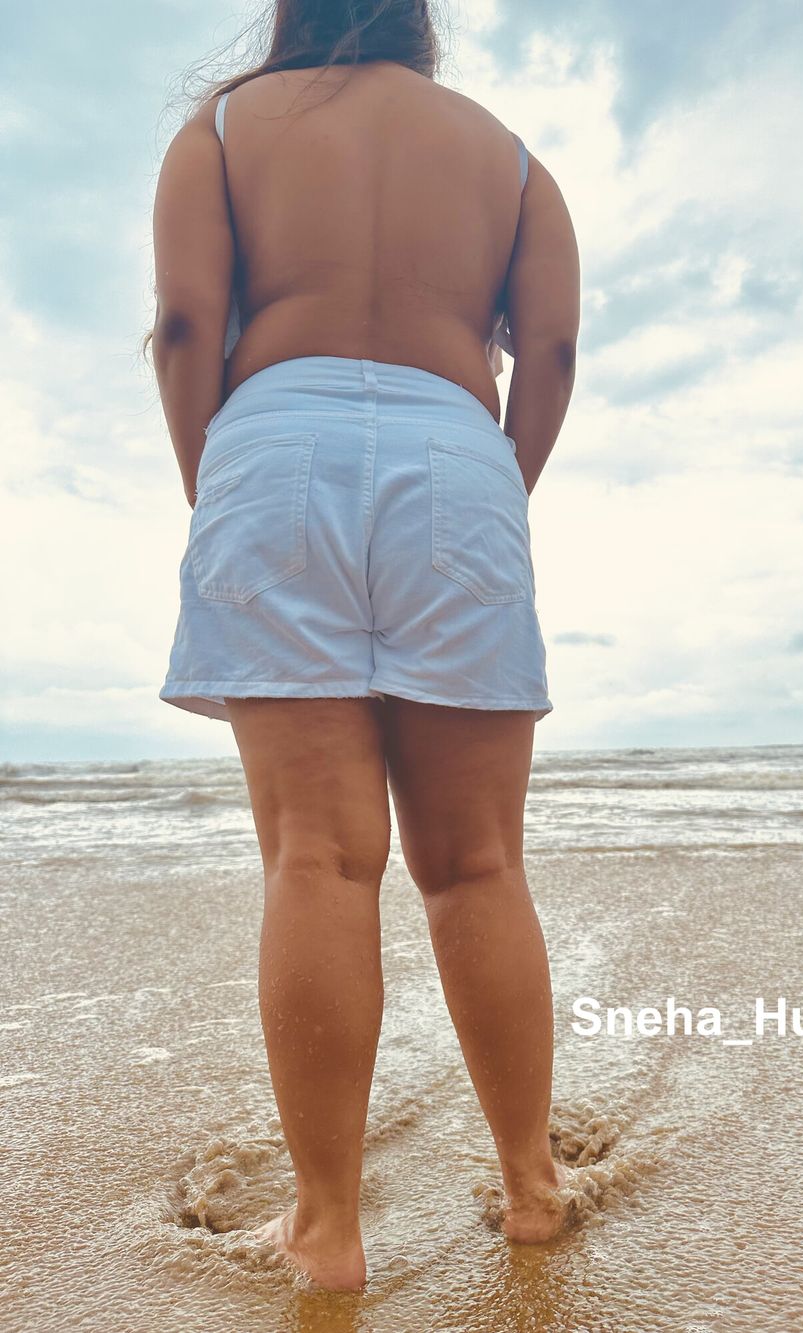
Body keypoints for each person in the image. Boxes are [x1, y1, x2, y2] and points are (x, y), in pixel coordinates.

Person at [145, 0, 580, 1293]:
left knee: (319, 859)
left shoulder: (220, 129)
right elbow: (548, 349)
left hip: (272, 446)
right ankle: (531, 1186)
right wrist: (499, 490)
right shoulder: (510, 158)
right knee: (478, 862)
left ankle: (329, 1228)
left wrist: (210, 480)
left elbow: (183, 323)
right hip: (458, 450)